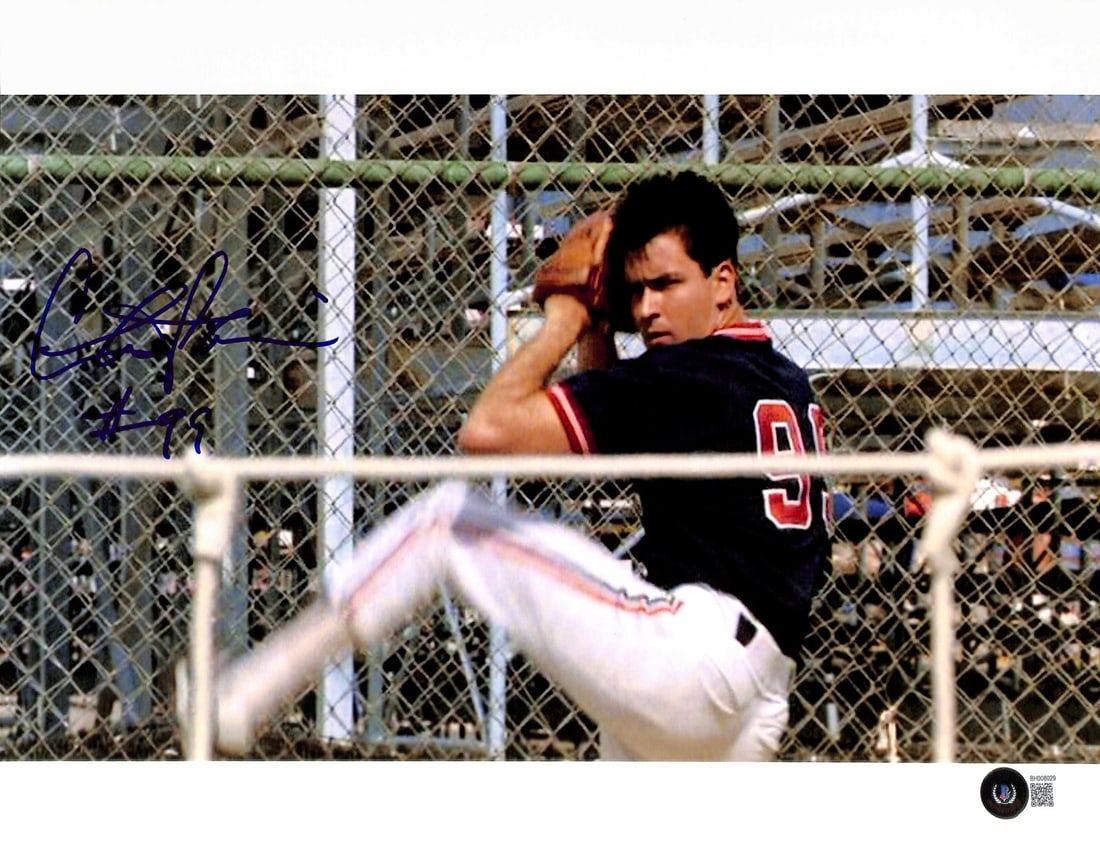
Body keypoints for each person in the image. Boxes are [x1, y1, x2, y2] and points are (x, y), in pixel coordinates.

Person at [206, 170, 830, 761]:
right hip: (757, 697)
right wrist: (600, 329)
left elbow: (487, 431)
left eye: (666, 285)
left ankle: (248, 692)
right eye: (635, 290)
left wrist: (566, 316)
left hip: (693, 656)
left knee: (445, 521)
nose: (646, 310)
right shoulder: (780, 378)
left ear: (723, 282)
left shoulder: (690, 374)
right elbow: (617, 444)